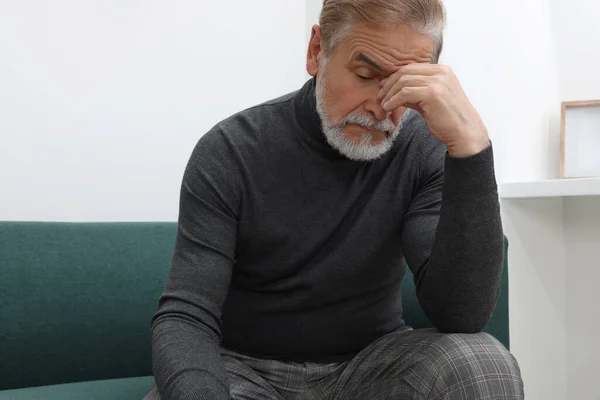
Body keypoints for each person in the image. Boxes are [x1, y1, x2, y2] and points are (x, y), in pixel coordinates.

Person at [145, 0, 524, 398]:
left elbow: (461, 313)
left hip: (371, 365)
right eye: (365, 75)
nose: (382, 107)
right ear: (316, 51)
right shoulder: (230, 150)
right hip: (246, 369)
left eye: (404, 86)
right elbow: (186, 315)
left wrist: (470, 145)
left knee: (483, 363)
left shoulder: (421, 149)